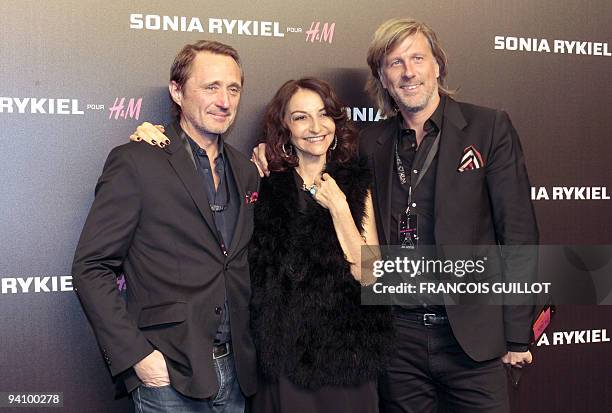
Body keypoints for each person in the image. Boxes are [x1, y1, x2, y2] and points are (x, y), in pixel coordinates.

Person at [252, 18, 538, 413]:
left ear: (437, 65)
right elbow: (313, 165)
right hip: (397, 340)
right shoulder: (371, 142)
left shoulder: (488, 128)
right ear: (383, 79)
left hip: (472, 338)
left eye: (417, 58)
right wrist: (268, 161)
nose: (408, 72)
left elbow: (519, 234)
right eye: (395, 63)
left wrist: (518, 335)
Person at [131, 77, 395, 413]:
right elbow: (191, 173)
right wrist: (153, 137)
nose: (316, 127)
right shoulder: (260, 179)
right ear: (284, 127)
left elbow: (372, 276)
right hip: (282, 359)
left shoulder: (358, 183)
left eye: (324, 114)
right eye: (300, 117)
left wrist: (340, 208)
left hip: (347, 357)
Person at [72, 40, 259, 413]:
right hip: (168, 373)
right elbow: (91, 267)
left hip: (236, 372)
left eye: (233, 88)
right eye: (211, 87)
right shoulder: (137, 161)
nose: (225, 100)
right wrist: (137, 356)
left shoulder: (246, 170)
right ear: (177, 90)